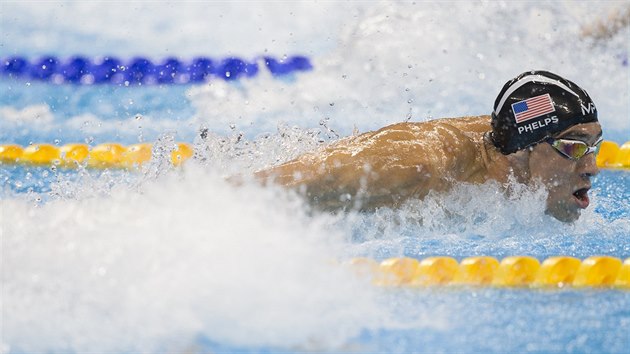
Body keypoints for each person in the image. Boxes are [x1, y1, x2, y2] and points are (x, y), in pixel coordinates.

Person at [255, 71, 603, 222]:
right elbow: (253, 192)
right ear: (524, 148)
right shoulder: (415, 167)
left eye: (594, 147)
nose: (592, 167)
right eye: (574, 148)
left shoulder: (508, 148)